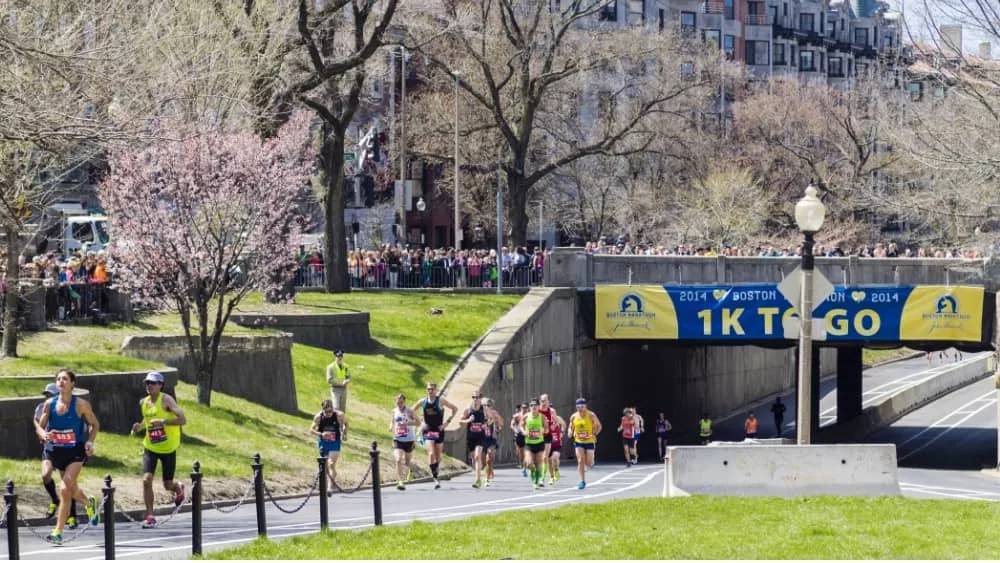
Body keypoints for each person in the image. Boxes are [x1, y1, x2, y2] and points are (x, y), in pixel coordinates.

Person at [34, 369, 100, 545]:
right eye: (58, 379)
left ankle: (58, 531)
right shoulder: (49, 404)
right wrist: (43, 434)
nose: (61, 382)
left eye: (65, 379)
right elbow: (40, 427)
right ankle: (88, 503)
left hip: (75, 452)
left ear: (72, 384)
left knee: (64, 489)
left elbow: (95, 425)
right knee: (65, 485)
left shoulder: (81, 405)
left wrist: (90, 443)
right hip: (55, 450)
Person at [130, 371, 187, 529]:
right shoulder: (144, 402)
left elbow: (183, 420)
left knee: (167, 485)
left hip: (168, 447)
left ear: (161, 385)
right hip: (151, 446)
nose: (149, 386)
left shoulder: (166, 400)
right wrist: (139, 426)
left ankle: (178, 488)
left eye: (153, 383)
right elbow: (147, 420)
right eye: (147, 383)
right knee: (146, 480)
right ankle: (150, 516)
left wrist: (163, 422)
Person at [35, 383, 79, 526]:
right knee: (45, 474)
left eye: (50, 395)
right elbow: (37, 423)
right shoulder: (42, 407)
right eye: (46, 395)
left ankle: (72, 515)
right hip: (49, 448)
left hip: (64, 448)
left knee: (66, 483)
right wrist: (42, 434)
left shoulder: (65, 408)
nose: (47, 397)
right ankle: (55, 499)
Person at [413, 382, 457, 489]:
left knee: (438, 456)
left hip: (439, 430)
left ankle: (436, 472)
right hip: (428, 430)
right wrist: (420, 422)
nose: (430, 391)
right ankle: (435, 479)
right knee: (431, 453)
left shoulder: (440, 401)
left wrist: (446, 423)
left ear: (436, 390)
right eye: (428, 389)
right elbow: (411, 410)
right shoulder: (423, 402)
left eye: (432, 389)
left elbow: (454, 409)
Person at [310, 399, 346, 494]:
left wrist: (344, 433)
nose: (328, 414)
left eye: (330, 411)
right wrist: (321, 434)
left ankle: (329, 488)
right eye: (326, 412)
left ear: (333, 409)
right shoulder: (318, 417)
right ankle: (333, 475)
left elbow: (345, 424)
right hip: (323, 442)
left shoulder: (339, 415)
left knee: (331, 463)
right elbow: (311, 430)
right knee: (324, 466)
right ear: (322, 409)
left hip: (335, 442)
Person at [568, 398, 602, 490]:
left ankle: (589, 463)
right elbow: (571, 426)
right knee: (580, 460)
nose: (580, 408)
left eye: (582, 406)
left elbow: (599, 426)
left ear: (585, 406)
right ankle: (582, 481)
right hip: (578, 441)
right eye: (578, 407)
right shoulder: (574, 416)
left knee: (589, 462)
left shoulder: (591, 415)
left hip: (589, 441)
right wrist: (570, 432)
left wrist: (595, 434)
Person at [389, 393, 418, 490]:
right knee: (398, 459)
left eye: (401, 402)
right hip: (398, 439)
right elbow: (392, 421)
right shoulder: (394, 411)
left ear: (404, 402)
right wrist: (390, 426)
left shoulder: (410, 411)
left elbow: (418, 422)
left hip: (409, 440)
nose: (399, 404)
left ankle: (411, 470)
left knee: (407, 462)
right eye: (398, 402)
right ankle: (400, 481)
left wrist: (407, 423)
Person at [460, 392, 489, 488]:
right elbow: (460, 420)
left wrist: (486, 424)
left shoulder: (484, 409)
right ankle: (479, 473)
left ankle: (478, 480)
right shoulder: (468, 409)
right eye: (473, 397)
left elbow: (491, 419)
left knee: (477, 457)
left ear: (480, 398)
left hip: (480, 436)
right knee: (474, 459)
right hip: (471, 437)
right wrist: (468, 421)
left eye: (477, 397)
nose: (475, 399)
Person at [521, 399, 547, 490]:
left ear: (538, 407)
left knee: (539, 462)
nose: (533, 407)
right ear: (530, 407)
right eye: (531, 405)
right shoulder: (526, 417)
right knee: (528, 463)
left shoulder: (542, 417)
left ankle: (536, 481)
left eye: (535, 405)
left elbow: (547, 429)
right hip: (529, 444)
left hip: (539, 443)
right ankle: (534, 473)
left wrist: (543, 430)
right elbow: (521, 425)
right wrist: (524, 431)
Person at [482, 398, 505, 487]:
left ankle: (487, 478)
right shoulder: (479, 413)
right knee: (483, 461)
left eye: (489, 405)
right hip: (481, 438)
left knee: (490, 457)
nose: (487, 407)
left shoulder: (494, 414)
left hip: (491, 439)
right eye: (485, 405)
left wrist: (498, 430)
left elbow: (501, 423)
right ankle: (489, 470)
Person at [538, 394, 558, 478]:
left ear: (548, 402)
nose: (544, 403)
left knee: (545, 456)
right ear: (540, 402)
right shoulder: (536, 411)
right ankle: (550, 473)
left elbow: (556, 421)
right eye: (542, 401)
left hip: (547, 436)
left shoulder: (551, 411)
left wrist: (553, 426)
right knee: (542, 457)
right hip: (537, 436)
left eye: (545, 401)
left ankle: (545, 475)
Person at [510, 403, 528, 475]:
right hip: (519, 435)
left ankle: (525, 468)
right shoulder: (517, 416)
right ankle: (522, 465)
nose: (524, 409)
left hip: (528, 435)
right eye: (523, 407)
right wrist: (515, 430)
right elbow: (511, 424)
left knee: (528, 451)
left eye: (526, 407)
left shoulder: (530, 415)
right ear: (521, 408)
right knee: (521, 453)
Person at [548, 414, 566, 485]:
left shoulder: (557, 419)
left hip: (557, 445)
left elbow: (564, 424)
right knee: (549, 461)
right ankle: (552, 477)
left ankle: (556, 470)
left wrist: (562, 432)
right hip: (548, 445)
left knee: (554, 458)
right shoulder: (545, 421)